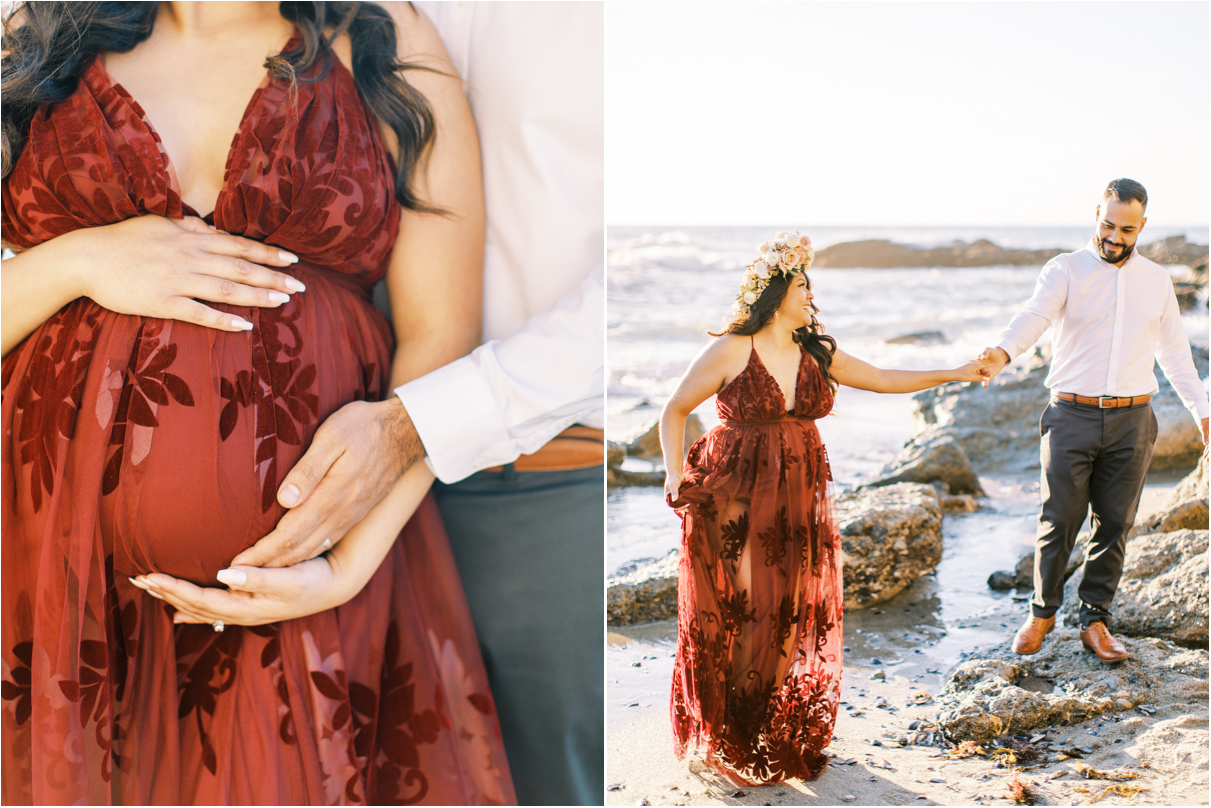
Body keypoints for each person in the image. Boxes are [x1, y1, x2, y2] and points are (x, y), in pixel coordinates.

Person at [0, 2, 515, 803]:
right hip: (50, 569)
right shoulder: (34, 43)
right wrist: (77, 261)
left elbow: (441, 333)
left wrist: (346, 564)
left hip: (311, 580)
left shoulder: (382, 38)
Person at [139, 3, 606, 804]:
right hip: (289, 497)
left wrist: (417, 426)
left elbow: (620, 291)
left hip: (533, 469)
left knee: (538, 776)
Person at [659, 233, 990, 785]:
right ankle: (729, 731)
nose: (810, 293)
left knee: (789, 608)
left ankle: (765, 723)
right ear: (776, 291)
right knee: (745, 609)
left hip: (798, 493)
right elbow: (673, 410)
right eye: (802, 284)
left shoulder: (818, 352)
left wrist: (953, 372)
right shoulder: (732, 349)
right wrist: (673, 472)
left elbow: (884, 379)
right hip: (735, 491)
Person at [978, 179, 1209, 664]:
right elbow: (1035, 315)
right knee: (1058, 519)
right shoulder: (1064, 270)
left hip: (1133, 421)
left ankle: (1094, 621)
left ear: (1142, 226)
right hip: (1071, 415)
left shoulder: (1156, 281)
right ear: (1096, 216)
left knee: (1115, 525)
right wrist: (1002, 352)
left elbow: (1174, 355)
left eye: (1126, 229)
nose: (1114, 236)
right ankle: (1041, 613)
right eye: (1107, 224)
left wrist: (1202, 412)